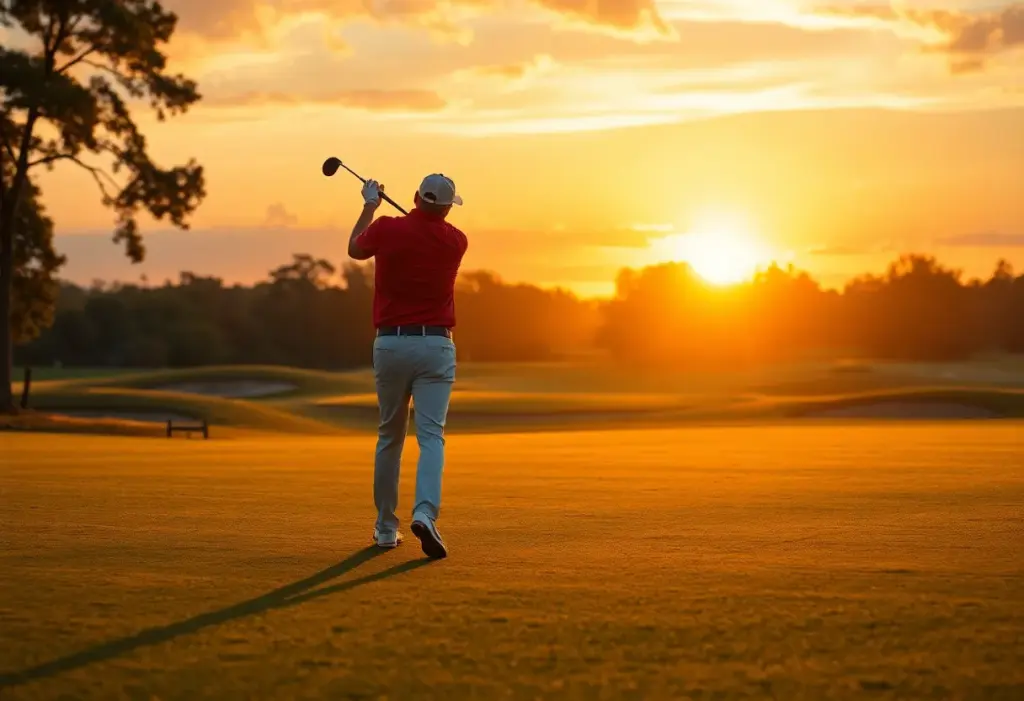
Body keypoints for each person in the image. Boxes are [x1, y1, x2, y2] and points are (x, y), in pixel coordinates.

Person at [347, 173, 468, 559]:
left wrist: (370, 204)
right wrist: (422, 218)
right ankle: (425, 513)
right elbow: (429, 227)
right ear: (448, 208)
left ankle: (385, 529)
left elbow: (355, 248)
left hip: (391, 343)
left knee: (390, 437)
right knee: (431, 435)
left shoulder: (386, 228)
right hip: (436, 344)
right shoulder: (456, 240)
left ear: (415, 197)